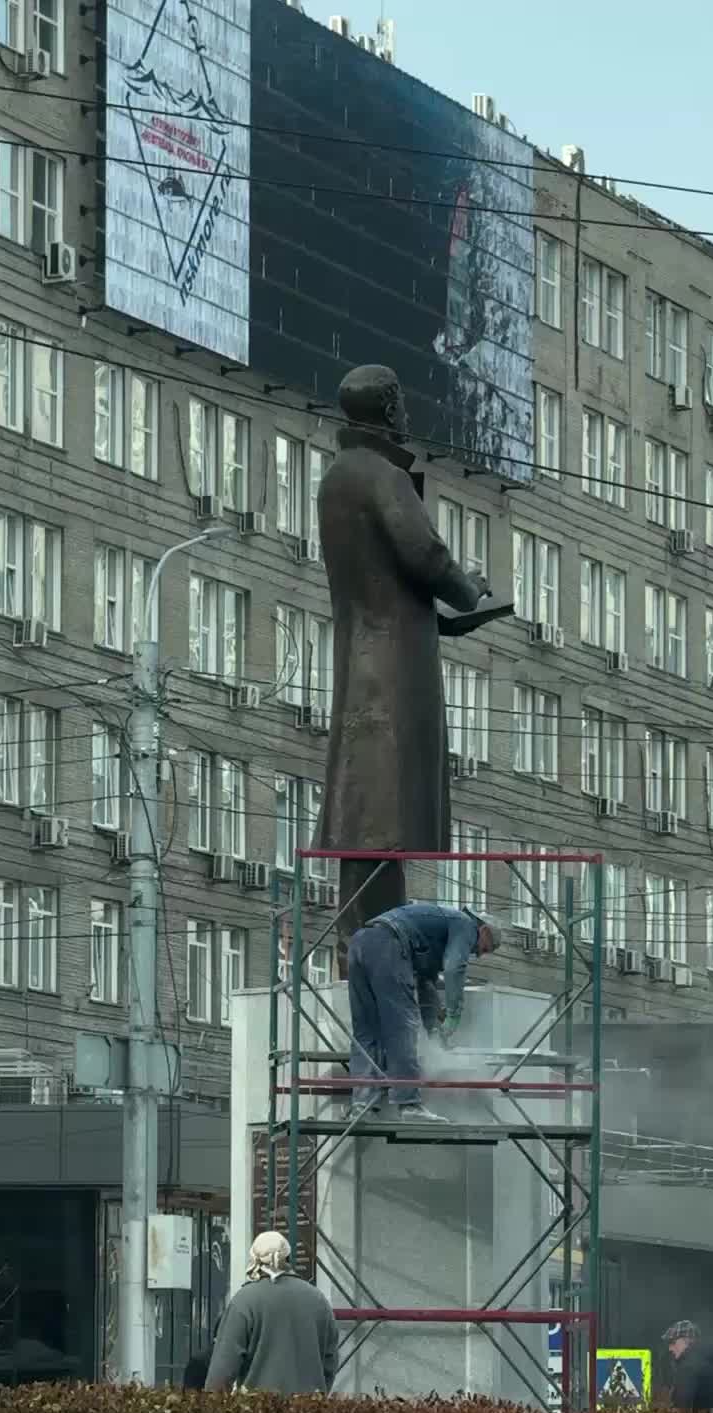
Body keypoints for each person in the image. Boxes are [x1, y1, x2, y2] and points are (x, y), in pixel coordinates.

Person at [315, 365, 490, 964]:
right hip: (394, 665)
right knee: (381, 807)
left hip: (363, 652)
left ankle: (360, 938)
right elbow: (424, 552)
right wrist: (473, 595)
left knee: (365, 807)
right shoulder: (381, 475)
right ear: (389, 408)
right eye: (402, 401)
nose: (407, 412)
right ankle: (374, 944)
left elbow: (383, 575)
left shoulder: (337, 476)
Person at [347, 902, 498, 1123]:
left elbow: (426, 986)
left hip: (361, 942)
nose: (479, 953)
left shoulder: (431, 933)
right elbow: (455, 967)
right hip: (389, 945)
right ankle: (409, 1104)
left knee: (367, 1031)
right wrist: (455, 1012)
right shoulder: (465, 925)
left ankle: (361, 1105)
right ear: (483, 930)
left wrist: (434, 1032)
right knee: (402, 1028)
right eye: (485, 948)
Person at [205, 1231, 339, 1396]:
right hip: (309, 1412)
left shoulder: (244, 1301)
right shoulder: (319, 1300)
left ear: (254, 1260)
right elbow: (330, 1363)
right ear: (288, 1258)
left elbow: (222, 1370)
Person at [663, 1319, 713, 1413]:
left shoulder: (688, 1367)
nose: (670, 1348)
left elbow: (682, 1409)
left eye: (673, 1342)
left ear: (686, 1340)